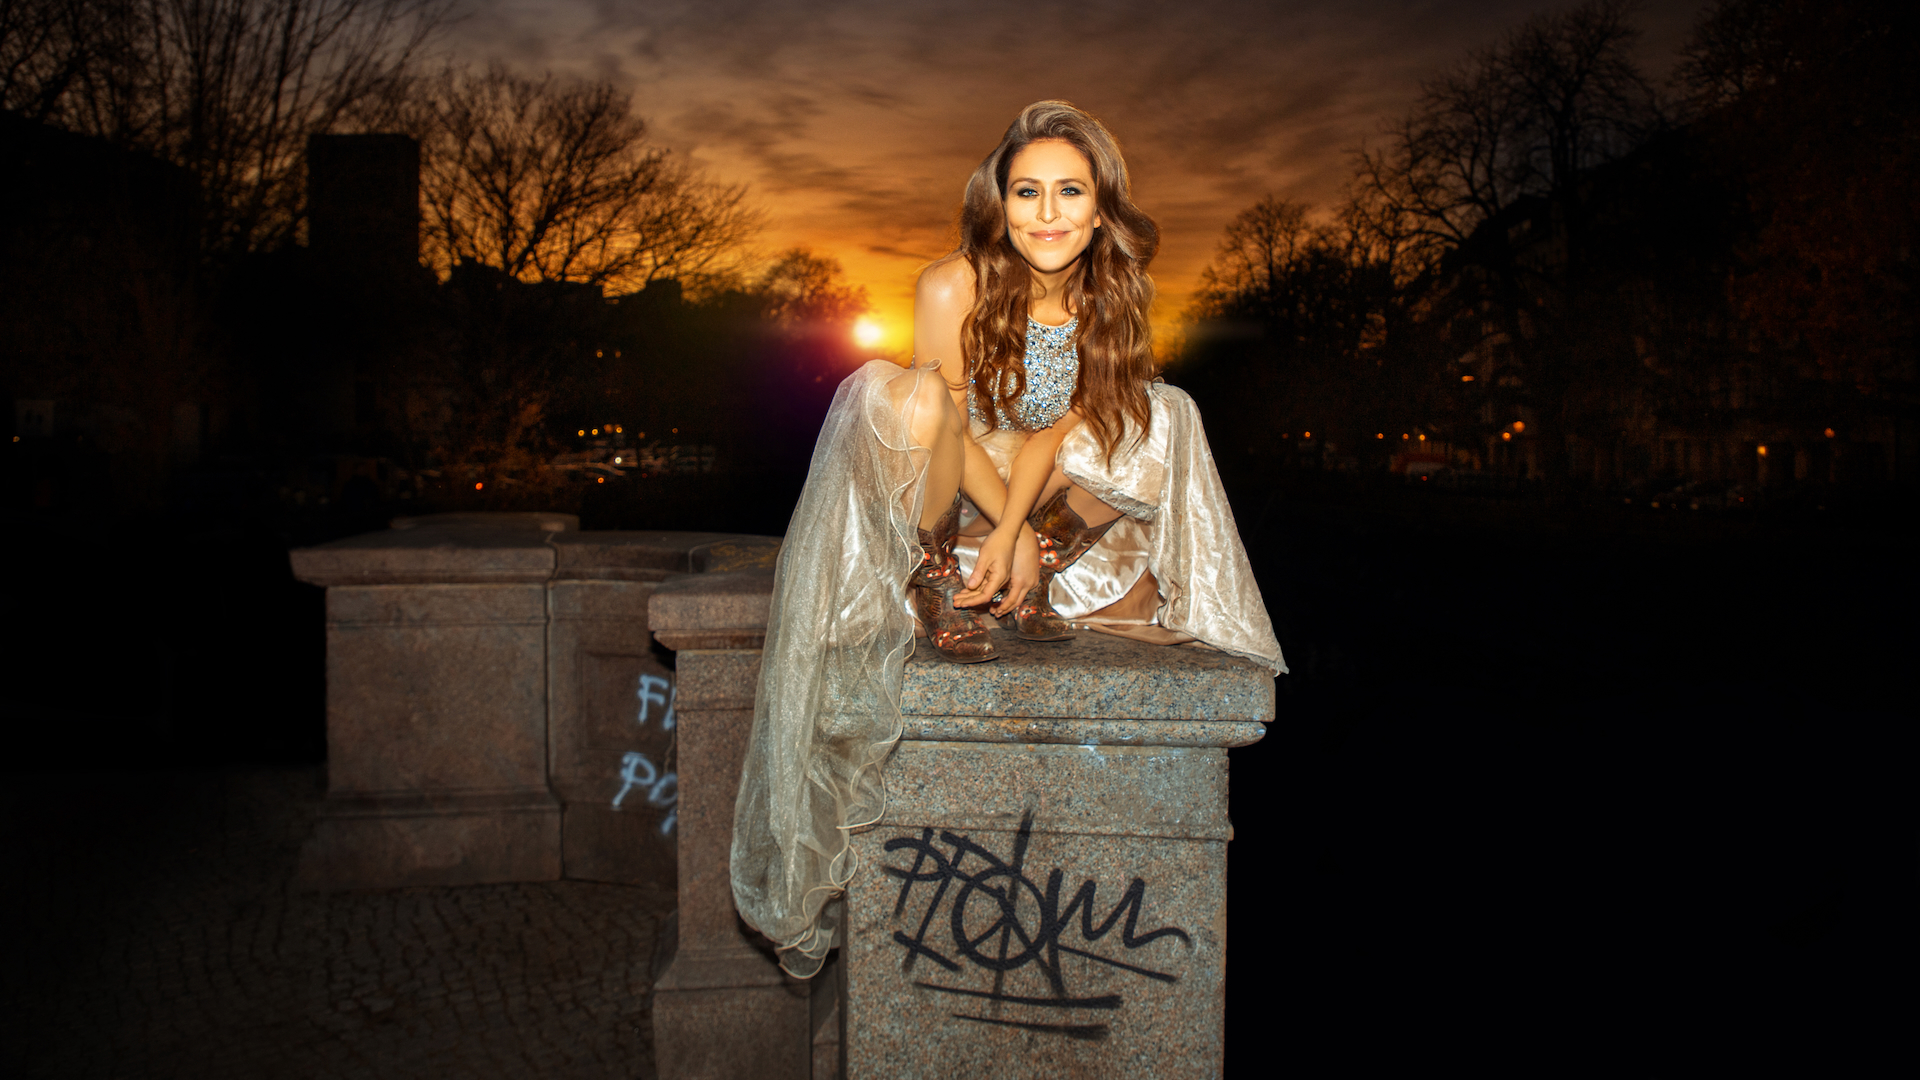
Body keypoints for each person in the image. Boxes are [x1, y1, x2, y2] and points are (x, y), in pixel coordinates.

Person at [730, 101, 1284, 978]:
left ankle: (1051, 568)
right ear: (1001, 199)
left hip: (1032, 485)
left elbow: (1057, 433)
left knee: (1163, 411)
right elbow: (945, 423)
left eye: (1072, 190)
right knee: (901, 395)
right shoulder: (953, 282)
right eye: (1028, 191)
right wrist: (997, 525)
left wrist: (1025, 527)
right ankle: (936, 574)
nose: (1049, 212)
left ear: (1101, 207)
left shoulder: (1111, 290)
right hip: (946, 484)